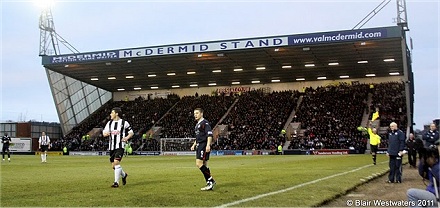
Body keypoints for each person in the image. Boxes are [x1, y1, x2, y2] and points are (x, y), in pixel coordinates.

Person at [103, 107, 134, 188]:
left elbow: (131, 132)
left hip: (120, 146)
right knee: (114, 166)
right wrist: (106, 134)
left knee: (116, 163)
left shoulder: (124, 123)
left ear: (116, 114)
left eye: (112, 113)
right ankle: (124, 175)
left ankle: (116, 183)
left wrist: (126, 138)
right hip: (111, 147)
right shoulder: (109, 123)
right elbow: (104, 133)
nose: (110, 114)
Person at [190, 108, 216, 191]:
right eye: (194, 113)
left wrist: (208, 145)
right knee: (204, 165)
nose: (195, 115)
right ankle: (209, 183)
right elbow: (198, 137)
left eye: (197, 113)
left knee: (198, 163)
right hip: (199, 145)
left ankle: (211, 180)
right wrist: (194, 145)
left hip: (203, 145)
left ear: (201, 114)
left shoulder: (205, 123)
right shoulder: (197, 124)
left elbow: (209, 135)